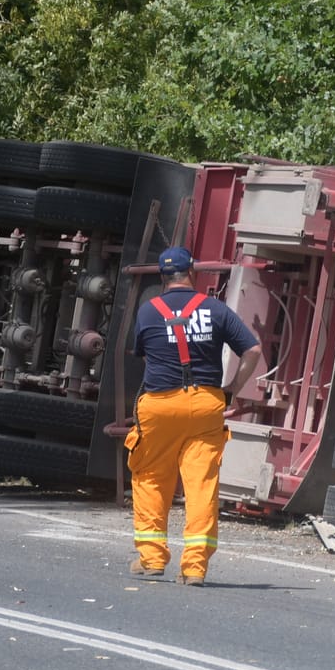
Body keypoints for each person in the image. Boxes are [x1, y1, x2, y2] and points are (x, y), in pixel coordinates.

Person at [125, 245, 263, 586]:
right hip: (206, 403)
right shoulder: (215, 309)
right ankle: (195, 567)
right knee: (201, 484)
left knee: (151, 477)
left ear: (162, 277)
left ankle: (152, 559)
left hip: (159, 403)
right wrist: (231, 387)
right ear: (192, 272)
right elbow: (253, 348)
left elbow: (143, 355)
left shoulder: (148, 311)